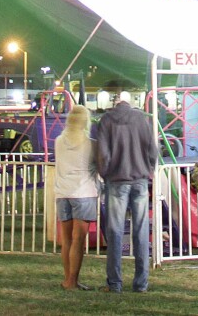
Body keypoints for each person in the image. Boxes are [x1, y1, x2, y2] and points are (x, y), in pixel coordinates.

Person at [95, 91, 159, 294]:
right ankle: (141, 283)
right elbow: (153, 150)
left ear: (114, 103)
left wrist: (105, 174)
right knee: (141, 230)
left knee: (115, 231)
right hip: (140, 179)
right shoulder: (141, 119)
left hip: (116, 179)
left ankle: (115, 282)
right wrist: (149, 169)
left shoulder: (106, 120)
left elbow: (103, 153)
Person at [54, 104, 98, 290]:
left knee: (66, 240)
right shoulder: (91, 144)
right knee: (78, 240)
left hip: (62, 193)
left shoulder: (58, 141)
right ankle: (73, 280)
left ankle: (67, 279)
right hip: (83, 192)